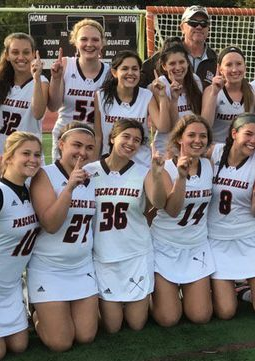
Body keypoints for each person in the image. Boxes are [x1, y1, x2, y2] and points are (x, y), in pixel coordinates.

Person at [83, 119, 167, 333]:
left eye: (137, 140)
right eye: (126, 137)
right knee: (112, 327)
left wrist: (157, 175)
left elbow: (158, 203)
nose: (131, 143)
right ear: (112, 138)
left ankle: (148, 299)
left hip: (135, 252)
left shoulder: (143, 172)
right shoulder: (89, 171)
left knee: (137, 324)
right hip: (103, 255)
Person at [28, 122, 98, 351]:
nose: (82, 152)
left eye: (89, 148)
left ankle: (58, 312)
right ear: (61, 144)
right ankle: (37, 313)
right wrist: (68, 188)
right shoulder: (44, 175)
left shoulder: (93, 176)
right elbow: (50, 224)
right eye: (76, 145)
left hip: (81, 266)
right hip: (49, 267)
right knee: (61, 343)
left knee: (86, 336)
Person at [208, 113, 255, 320]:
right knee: (226, 312)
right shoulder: (214, 152)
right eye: (248, 134)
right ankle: (227, 289)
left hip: (248, 236)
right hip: (217, 238)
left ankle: (245, 289)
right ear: (234, 133)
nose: (254, 141)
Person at [149, 114, 215, 327]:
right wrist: (181, 178)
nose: (198, 140)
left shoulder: (209, 164)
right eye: (192, 135)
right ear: (179, 139)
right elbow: (172, 210)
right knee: (168, 319)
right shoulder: (165, 168)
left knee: (200, 316)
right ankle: (152, 297)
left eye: (203, 136)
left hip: (196, 246)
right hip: (165, 246)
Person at [0, 132, 42, 360]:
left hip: (11, 287)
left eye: (37, 154)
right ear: (7, 157)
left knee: (19, 346)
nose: (33, 159)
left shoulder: (31, 190)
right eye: (25, 153)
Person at [94, 50, 170, 167]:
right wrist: (93, 166)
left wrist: (163, 96)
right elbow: (98, 137)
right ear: (114, 72)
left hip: (141, 164)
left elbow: (163, 127)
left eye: (135, 69)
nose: (130, 73)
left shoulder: (146, 95)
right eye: (124, 69)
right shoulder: (101, 96)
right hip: (110, 164)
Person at [48, 19, 109, 161]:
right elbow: (53, 106)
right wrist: (56, 79)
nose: (89, 44)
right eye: (84, 39)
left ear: (102, 43)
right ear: (75, 42)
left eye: (95, 39)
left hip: (93, 140)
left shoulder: (110, 73)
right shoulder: (65, 65)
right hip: (66, 135)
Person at [202, 46, 255, 143]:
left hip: (243, 150)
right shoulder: (211, 91)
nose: (234, 70)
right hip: (217, 150)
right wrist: (214, 94)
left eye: (239, 64)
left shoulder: (254, 92)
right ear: (220, 68)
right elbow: (205, 127)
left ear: (245, 66)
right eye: (229, 65)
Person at [141, 5, 217, 89]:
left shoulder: (216, 60)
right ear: (182, 27)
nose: (199, 27)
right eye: (193, 22)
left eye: (204, 23)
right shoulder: (164, 55)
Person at [152, 39, 203, 155]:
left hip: (190, 147)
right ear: (164, 66)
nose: (178, 67)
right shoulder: (159, 85)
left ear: (187, 63)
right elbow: (170, 128)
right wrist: (172, 99)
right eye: (172, 64)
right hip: (166, 149)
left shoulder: (195, 81)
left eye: (182, 62)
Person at [0, 33, 47, 156]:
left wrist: (36, 78)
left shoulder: (41, 81)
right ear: (7, 56)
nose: (21, 57)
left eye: (26, 52)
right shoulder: (2, 81)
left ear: (33, 54)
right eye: (15, 52)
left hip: (28, 156)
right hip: (3, 153)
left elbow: (38, 113)